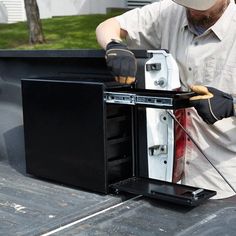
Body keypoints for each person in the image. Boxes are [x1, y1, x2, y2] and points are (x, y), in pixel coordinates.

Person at [96, 0, 236, 199]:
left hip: (223, 177)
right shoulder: (168, 11)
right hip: (166, 170)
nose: (193, 10)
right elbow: (109, 25)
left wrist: (232, 106)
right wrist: (114, 45)